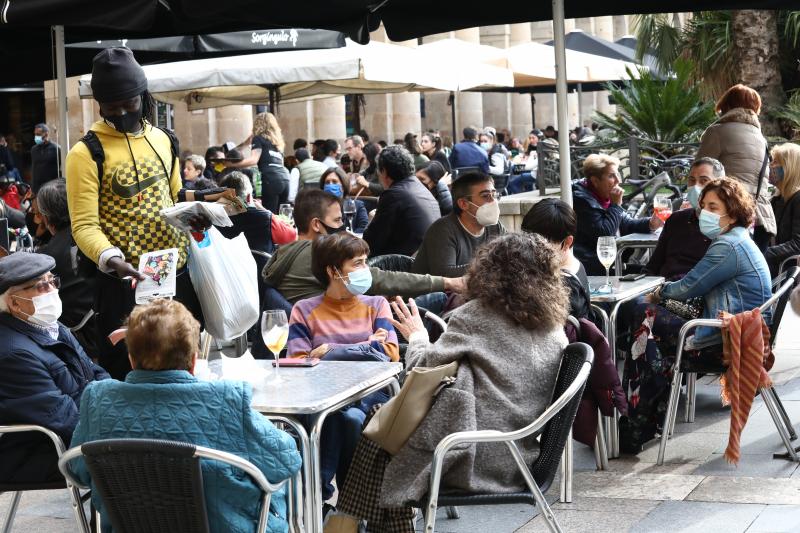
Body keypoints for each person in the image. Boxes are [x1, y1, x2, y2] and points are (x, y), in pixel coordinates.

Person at [329, 233, 568, 532]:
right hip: (520, 456)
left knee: (381, 426)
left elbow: (419, 374)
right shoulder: (554, 325)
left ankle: (344, 521)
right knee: (385, 429)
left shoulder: (476, 316)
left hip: (469, 455)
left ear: (489, 270)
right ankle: (347, 522)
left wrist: (417, 336)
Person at [69, 299, 302, 533]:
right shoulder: (225, 400)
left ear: (130, 359)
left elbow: (77, 469)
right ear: (193, 361)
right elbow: (286, 460)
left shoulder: (99, 400)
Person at [65, 47, 204, 380]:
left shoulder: (164, 139)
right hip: (122, 283)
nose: (124, 112)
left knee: (183, 365)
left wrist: (196, 213)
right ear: (100, 105)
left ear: (144, 96)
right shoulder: (85, 153)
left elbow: (171, 198)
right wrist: (111, 259)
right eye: (114, 107)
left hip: (174, 273)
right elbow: (83, 225)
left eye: (131, 104)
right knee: (123, 370)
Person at [621, 178, 772, 452]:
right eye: (703, 206)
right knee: (648, 328)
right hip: (739, 331)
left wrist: (659, 292)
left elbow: (689, 286)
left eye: (713, 206)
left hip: (725, 340)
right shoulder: (738, 239)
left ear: (734, 211)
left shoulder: (727, 246)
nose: (704, 213)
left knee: (644, 320)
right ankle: (643, 417)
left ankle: (637, 423)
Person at [287, 233, 399, 507]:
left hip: (373, 395)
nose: (366, 270)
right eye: (357, 264)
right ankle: (344, 507)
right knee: (343, 417)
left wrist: (329, 351)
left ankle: (319, 498)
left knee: (347, 418)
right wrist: (363, 347)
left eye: (365, 262)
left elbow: (388, 354)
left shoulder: (376, 305)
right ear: (333, 270)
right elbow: (300, 362)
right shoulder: (304, 310)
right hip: (323, 397)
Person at [0, 252, 109, 484]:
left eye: (52, 281)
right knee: (143, 459)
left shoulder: (51, 326)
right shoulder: (13, 353)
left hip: (77, 432)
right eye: (41, 286)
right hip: (39, 450)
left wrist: (122, 402)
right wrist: (116, 421)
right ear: (14, 303)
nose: (52, 290)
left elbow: (93, 372)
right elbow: (62, 419)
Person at [263, 189, 462, 305]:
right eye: (337, 220)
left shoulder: (285, 251)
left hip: (327, 327)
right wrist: (448, 282)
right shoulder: (319, 252)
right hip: (338, 333)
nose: (341, 226)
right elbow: (379, 278)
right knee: (438, 299)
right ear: (316, 224)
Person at [696, 83, 776, 250]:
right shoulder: (762, 140)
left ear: (727, 105)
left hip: (729, 218)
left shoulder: (717, 131)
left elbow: (700, 175)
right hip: (760, 218)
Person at [36, 179, 98, 355]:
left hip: (80, 341)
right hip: (108, 329)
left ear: (46, 217)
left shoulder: (47, 257)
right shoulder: (95, 236)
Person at [572, 154, 663, 275]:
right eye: (611, 176)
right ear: (595, 181)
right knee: (651, 273)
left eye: (617, 174)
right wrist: (616, 205)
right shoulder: (581, 200)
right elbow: (605, 235)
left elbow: (627, 223)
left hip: (613, 261)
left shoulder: (603, 197)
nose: (618, 180)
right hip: (594, 267)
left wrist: (650, 223)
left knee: (655, 271)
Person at [413, 172, 504, 277]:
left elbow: (509, 255)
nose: (493, 201)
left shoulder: (495, 226)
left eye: (494, 194)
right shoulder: (443, 230)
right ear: (463, 204)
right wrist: (490, 264)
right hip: (433, 293)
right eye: (485, 196)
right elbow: (444, 274)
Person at [645, 157, 722, 281]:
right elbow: (653, 266)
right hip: (660, 289)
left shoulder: (724, 225)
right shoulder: (676, 219)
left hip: (693, 292)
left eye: (704, 181)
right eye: (692, 180)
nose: (696, 186)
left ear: (719, 185)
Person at [362, 145, 440, 257]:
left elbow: (371, 243)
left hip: (405, 266)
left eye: (378, 171)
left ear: (384, 171)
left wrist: (370, 220)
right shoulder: (420, 187)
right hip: (426, 259)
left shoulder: (393, 194)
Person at [521, 198, 591, 320]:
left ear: (567, 242)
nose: (532, 247)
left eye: (542, 243)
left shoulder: (567, 285)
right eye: (528, 239)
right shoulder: (567, 267)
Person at [216, 171, 295, 254]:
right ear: (249, 197)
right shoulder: (265, 218)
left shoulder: (213, 217)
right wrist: (265, 210)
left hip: (226, 265)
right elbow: (292, 237)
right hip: (261, 266)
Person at [226, 112, 290, 213]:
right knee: (281, 216)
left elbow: (253, 160)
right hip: (285, 178)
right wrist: (247, 142)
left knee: (269, 215)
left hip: (270, 179)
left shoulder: (258, 138)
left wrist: (232, 164)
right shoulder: (277, 143)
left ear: (257, 124)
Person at [765, 143, 800, 275]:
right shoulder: (777, 198)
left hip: (789, 275)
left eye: (775, 162)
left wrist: (762, 254)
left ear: (790, 167)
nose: (770, 166)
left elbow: (797, 244)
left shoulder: (798, 199)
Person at [318, 166, 369, 233]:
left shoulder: (357, 206)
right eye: (327, 182)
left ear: (343, 186)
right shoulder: (318, 208)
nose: (330, 185)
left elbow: (363, 229)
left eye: (334, 182)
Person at [31, 123, 62, 194]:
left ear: (46, 134)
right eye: (35, 134)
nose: (36, 137)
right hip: (37, 189)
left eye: (38, 134)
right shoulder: (34, 149)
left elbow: (62, 168)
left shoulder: (56, 149)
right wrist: (33, 188)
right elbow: (34, 168)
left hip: (52, 188)